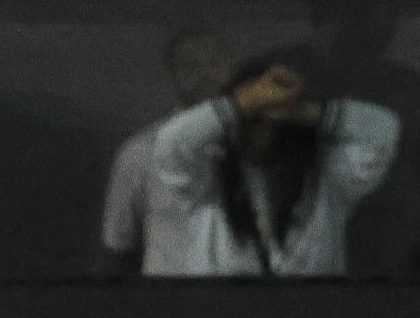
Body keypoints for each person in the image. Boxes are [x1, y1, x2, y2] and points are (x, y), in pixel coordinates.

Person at [144, 62, 398, 277]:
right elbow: (170, 143)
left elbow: (384, 130)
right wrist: (245, 102)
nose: (263, 129)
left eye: (273, 121)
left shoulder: (328, 180)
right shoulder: (207, 180)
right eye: (254, 119)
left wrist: (303, 109)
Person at [263, 0, 420, 279]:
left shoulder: (401, 83)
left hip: (388, 234)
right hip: (304, 229)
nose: (388, 26)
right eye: (379, 12)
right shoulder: (286, 71)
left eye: (391, 14)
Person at [98, 30, 236, 276]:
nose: (206, 75)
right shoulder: (140, 152)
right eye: (192, 67)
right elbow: (117, 249)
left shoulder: (263, 149)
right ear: (173, 76)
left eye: (215, 64)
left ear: (230, 68)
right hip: (168, 305)